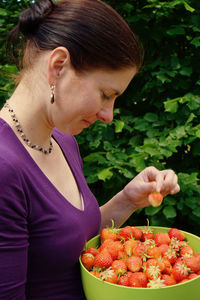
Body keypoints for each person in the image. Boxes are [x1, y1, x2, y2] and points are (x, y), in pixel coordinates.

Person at [0, 0, 180, 299]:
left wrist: (127, 200)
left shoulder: (63, 140)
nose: (108, 115)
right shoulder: (4, 168)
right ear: (58, 66)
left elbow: (69, 244)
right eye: (106, 94)